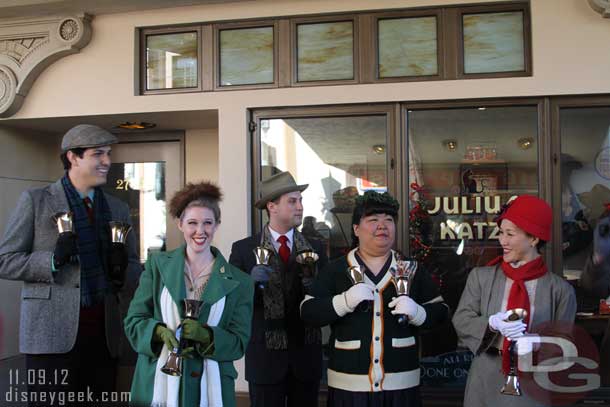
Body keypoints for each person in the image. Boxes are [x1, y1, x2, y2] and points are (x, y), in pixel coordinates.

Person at [0, 124, 140, 398]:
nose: (107, 161)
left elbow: (133, 263)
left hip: (105, 335)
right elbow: (5, 260)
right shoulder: (36, 201)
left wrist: (123, 269)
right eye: (98, 154)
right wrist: (52, 260)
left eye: (108, 153)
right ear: (72, 157)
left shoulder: (118, 207)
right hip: (50, 335)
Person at [301, 190, 449, 406]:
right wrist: (343, 302)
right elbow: (308, 312)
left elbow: (442, 313)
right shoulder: (335, 270)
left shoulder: (411, 269)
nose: (382, 225)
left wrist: (418, 312)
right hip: (348, 389)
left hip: (402, 388)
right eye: (373, 220)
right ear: (356, 229)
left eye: (389, 220)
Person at [124, 181, 253, 407]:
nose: (200, 231)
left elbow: (238, 343)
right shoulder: (156, 266)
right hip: (157, 385)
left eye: (208, 223)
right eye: (192, 222)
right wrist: (158, 331)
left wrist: (207, 336)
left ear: (217, 225)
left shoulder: (240, 282)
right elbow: (133, 322)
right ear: (180, 223)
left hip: (212, 393)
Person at [452, 195, 577, 407]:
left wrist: (537, 343)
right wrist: (491, 323)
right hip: (485, 379)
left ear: (534, 239)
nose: (502, 241)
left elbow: (564, 346)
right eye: (501, 232)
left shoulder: (561, 290)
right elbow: (461, 319)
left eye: (510, 234)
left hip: (535, 384)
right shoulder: (481, 277)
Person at [229, 171, 328, 407]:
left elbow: (326, 300)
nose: (300, 207)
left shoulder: (315, 247)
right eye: (292, 201)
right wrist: (249, 284)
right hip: (265, 361)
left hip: (306, 359)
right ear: (272, 206)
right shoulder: (243, 250)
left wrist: (315, 287)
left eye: (301, 200)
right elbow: (232, 304)